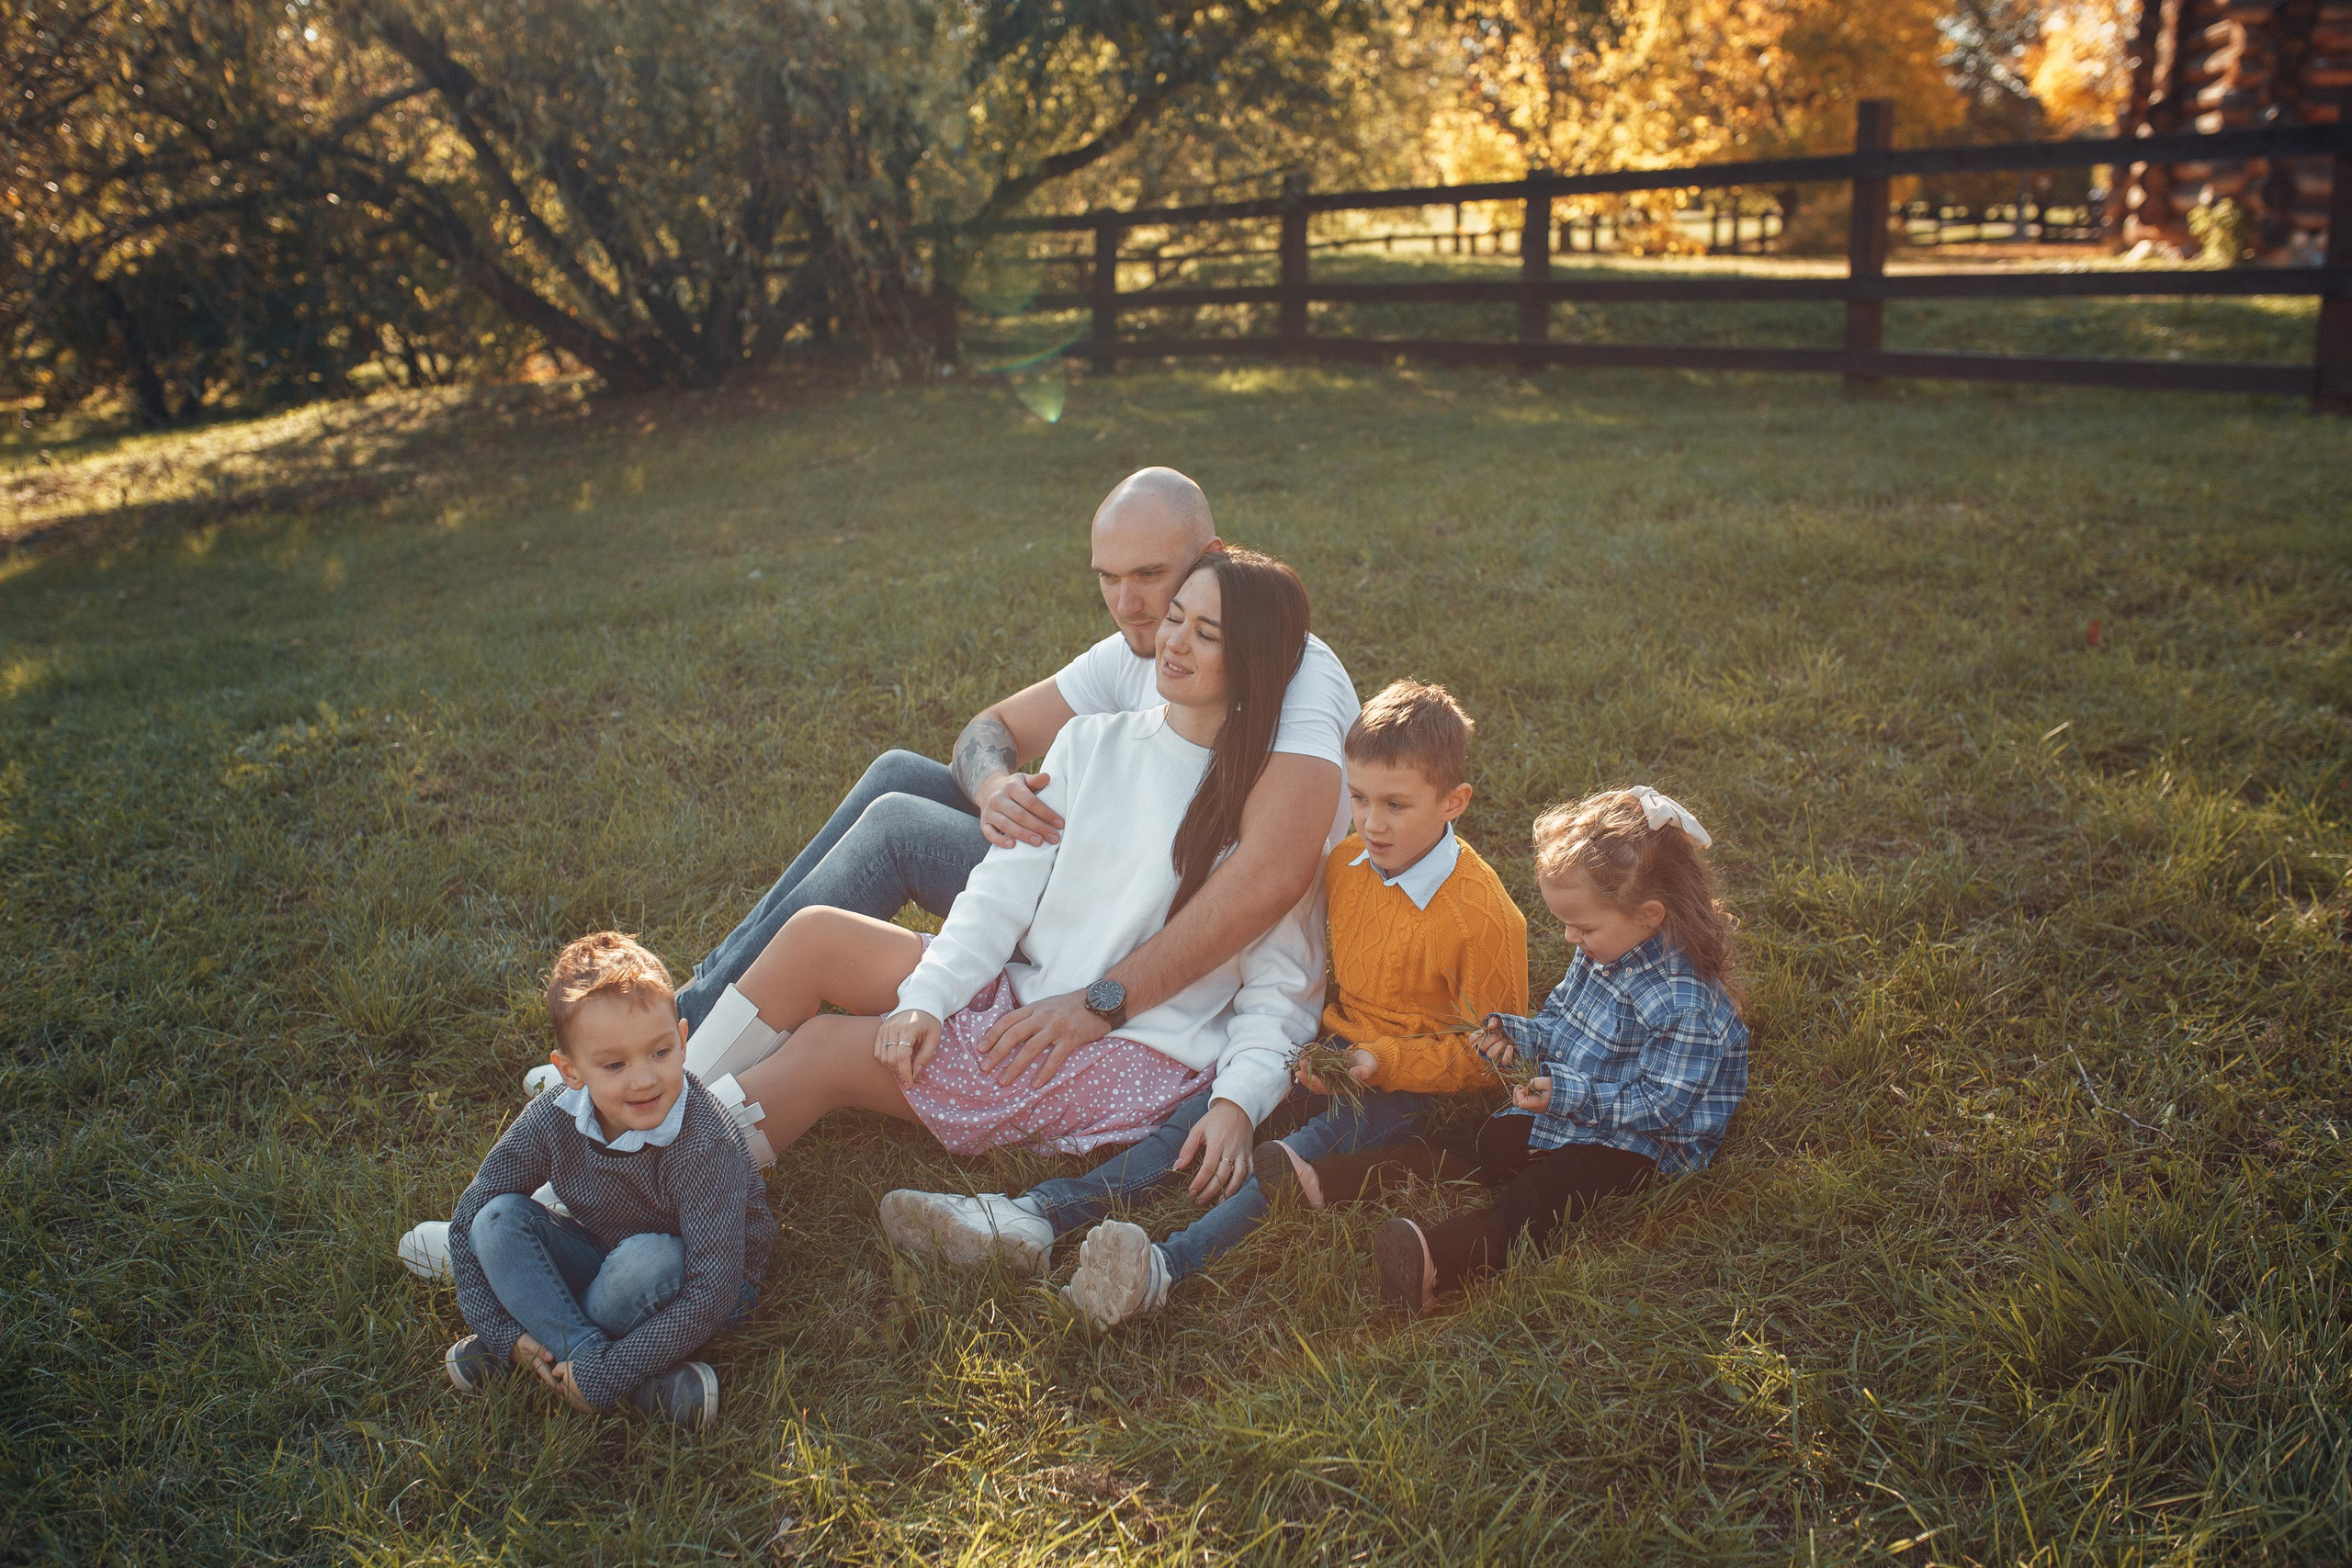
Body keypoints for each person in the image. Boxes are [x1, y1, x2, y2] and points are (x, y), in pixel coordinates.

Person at [883, 680, 1530, 1326]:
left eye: (1396, 804)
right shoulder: (1350, 862)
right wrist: (1265, 1086)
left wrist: (1382, 1060)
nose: (1371, 822)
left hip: (1412, 1091)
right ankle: (1027, 1215)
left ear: (1455, 801)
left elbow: (1494, 1061)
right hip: (1332, 1050)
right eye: (1358, 798)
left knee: (1296, 1152)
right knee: (1202, 1118)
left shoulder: (1484, 917)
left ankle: (1163, 1267)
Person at [670, 549, 1324, 1187]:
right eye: (1175, 616)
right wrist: (928, 998)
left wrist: (1236, 1100)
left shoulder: (1270, 809)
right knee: (817, 936)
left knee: (825, 1050)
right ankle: (645, 1104)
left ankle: (636, 1181)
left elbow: (1283, 992)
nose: (1175, 641)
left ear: (1252, 659)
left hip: (1128, 1053)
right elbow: (999, 889)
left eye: (1206, 633)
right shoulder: (1091, 741)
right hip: (1029, 989)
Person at [1278, 787, 1747, 1318]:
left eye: (1583, 926)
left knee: (1545, 1191)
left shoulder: (1687, 1005)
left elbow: (1664, 1104)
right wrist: (1519, 1035)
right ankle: (1323, 1181)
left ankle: (1440, 1262)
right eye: (1567, 925)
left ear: (1649, 915)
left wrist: (1569, 1092)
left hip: (1644, 1145)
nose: (1571, 938)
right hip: (1571, 1107)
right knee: (1479, 1139)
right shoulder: (1600, 953)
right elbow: (1560, 1023)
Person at [437, 933, 773, 1429]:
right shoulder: (551, 1119)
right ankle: (607, 1371)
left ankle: (563, 1356)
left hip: (702, 1282)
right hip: (603, 1256)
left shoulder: (705, 1139)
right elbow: (468, 1218)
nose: (643, 1079)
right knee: (495, 1220)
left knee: (646, 1260)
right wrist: (502, 1329)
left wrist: (603, 1371)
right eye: (614, 1065)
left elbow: (713, 1291)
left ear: (682, 1040)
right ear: (570, 1071)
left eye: (660, 1052)